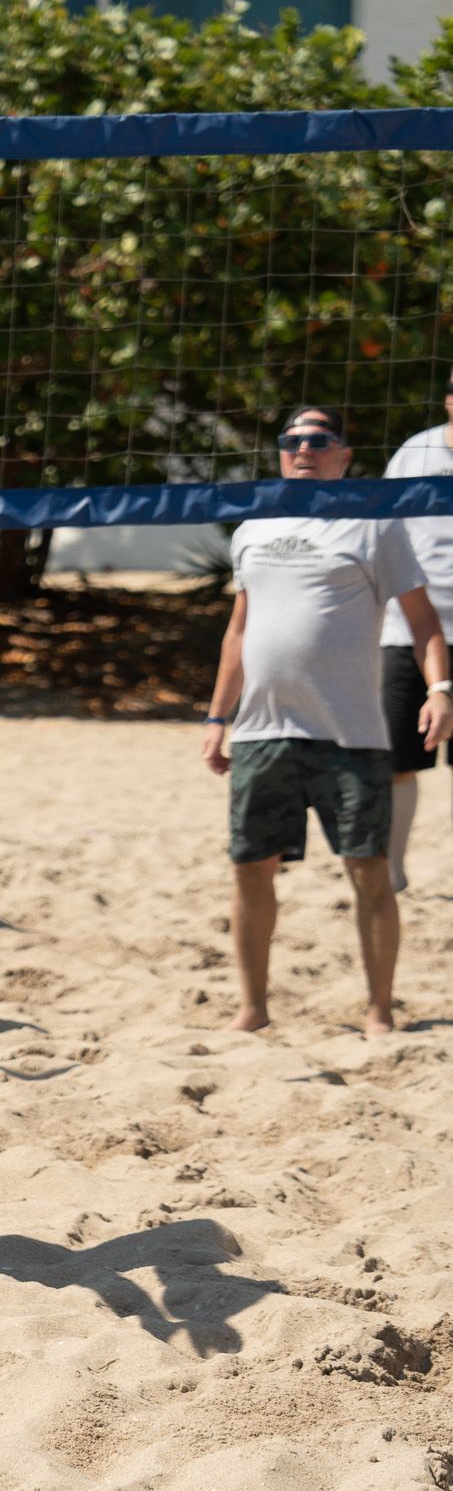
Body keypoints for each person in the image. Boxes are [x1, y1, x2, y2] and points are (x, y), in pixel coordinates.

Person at [202, 405, 453, 1036]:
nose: (304, 448)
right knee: (250, 868)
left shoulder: (373, 524)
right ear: (281, 452)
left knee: (369, 871)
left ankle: (379, 1011)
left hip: (351, 732)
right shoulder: (253, 528)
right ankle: (253, 1011)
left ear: (344, 454)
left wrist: (440, 688)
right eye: (293, 440)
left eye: (319, 439)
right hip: (262, 731)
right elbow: (239, 630)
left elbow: (422, 621)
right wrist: (215, 717)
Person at [381, 372, 453, 891]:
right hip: (409, 631)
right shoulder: (416, 452)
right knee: (398, 760)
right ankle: (392, 871)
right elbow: (385, 530)